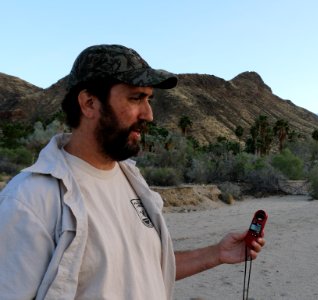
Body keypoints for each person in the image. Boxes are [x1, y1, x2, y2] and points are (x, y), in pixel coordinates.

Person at [0, 44, 265, 299]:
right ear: (89, 103)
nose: (148, 114)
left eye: (149, 99)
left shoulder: (132, 180)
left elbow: (144, 270)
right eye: (136, 98)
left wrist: (217, 254)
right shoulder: (30, 200)